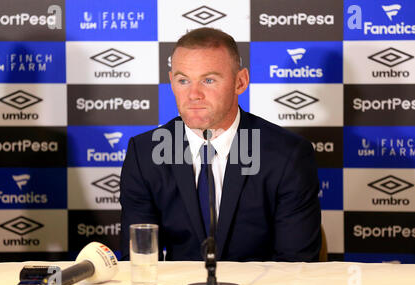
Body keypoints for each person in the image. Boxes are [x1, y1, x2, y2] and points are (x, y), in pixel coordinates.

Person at [120, 27, 321, 262]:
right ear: (171, 82)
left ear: (240, 82)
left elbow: (296, 267)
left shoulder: (288, 155)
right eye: (183, 80)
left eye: (208, 80)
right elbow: (138, 261)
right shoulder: (145, 154)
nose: (194, 94)